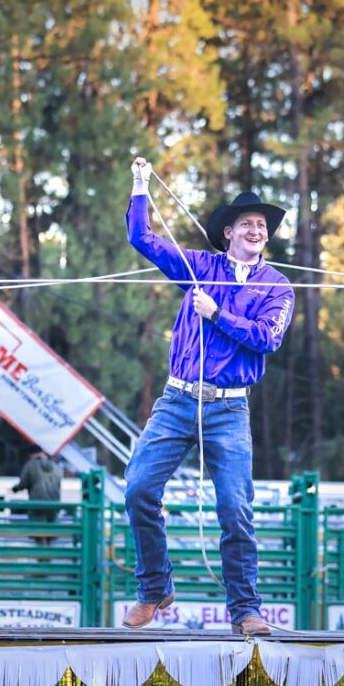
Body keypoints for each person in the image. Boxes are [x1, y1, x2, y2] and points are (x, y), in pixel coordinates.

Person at [121, 157, 295, 636]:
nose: (257, 231)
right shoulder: (199, 267)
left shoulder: (278, 288)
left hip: (229, 408)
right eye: (248, 224)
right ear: (228, 233)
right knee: (138, 488)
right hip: (177, 401)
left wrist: (217, 313)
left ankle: (246, 610)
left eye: (262, 226)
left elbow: (267, 338)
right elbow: (142, 239)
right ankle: (154, 587)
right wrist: (140, 184)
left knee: (236, 509)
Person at [10, 446, 63, 543]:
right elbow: (59, 484)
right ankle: (49, 549)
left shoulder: (30, 465)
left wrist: (15, 489)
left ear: (31, 455)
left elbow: (23, 483)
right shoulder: (55, 466)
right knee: (51, 531)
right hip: (54, 504)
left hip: (37, 503)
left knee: (38, 531)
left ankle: (41, 549)